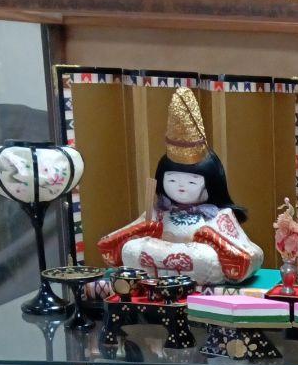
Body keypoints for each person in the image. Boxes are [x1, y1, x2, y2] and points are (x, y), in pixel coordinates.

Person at [97, 86, 263, 286]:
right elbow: (109, 249)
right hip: (154, 275)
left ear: (211, 183)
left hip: (198, 275)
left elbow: (253, 255)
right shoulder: (158, 212)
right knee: (131, 248)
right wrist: (140, 231)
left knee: (205, 256)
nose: (180, 187)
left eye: (192, 181)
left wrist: (214, 240)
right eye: (172, 180)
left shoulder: (217, 215)